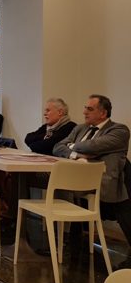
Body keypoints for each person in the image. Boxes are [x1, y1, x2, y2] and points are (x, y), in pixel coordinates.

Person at [53, 94, 131, 249]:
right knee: (58, 186)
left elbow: (92, 146)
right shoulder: (80, 128)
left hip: (107, 181)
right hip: (77, 179)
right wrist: (76, 155)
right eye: (85, 108)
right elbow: (57, 147)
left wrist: (72, 146)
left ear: (103, 113)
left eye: (89, 109)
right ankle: (70, 245)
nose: (84, 112)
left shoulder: (119, 130)